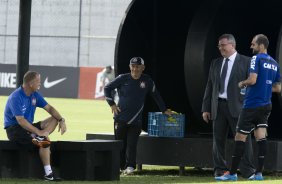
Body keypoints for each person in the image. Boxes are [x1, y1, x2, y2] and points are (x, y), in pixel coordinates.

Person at [215, 34, 281, 181]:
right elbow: (278, 88)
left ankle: (231, 174)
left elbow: (252, 79)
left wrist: (242, 83)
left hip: (251, 105)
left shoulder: (255, 59)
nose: (251, 47)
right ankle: (258, 173)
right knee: (261, 137)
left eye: (253, 44)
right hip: (266, 105)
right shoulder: (275, 63)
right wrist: (264, 87)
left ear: (261, 45)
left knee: (239, 137)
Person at [104, 57, 172, 175]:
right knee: (120, 144)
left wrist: (164, 109)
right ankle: (119, 167)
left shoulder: (147, 81)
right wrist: (112, 104)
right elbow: (107, 88)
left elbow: (156, 95)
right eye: (133, 66)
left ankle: (130, 167)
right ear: (130, 66)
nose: (135, 69)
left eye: (138, 66)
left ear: (143, 68)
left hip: (136, 120)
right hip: (120, 118)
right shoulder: (122, 78)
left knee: (132, 144)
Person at [201, 34, 255, 178]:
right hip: (218, 106)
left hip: (239, 107)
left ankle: (248, 171)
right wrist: (206, 108)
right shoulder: (215, 63)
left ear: (232, 45)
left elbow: (253, 86)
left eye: (223, 45)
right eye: (219, 46)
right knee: (218, 141)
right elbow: (210, 86)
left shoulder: (246, 61)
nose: (220, 48)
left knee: (243, 139)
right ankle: (220, 170)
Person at [4, 71, 67, 181]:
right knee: (45, 144)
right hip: (15, 130)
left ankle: (42, 136)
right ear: (30, 83)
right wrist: (39, 132)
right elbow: (21, 121)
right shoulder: (16, 97)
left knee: (54, 119)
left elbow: (50, 109)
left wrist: (61, 120)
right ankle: (49, 174)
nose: (40, 84)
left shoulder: (35, 95)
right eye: (38, 81)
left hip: (28, 127)